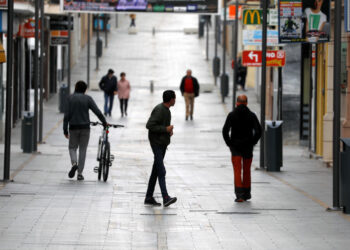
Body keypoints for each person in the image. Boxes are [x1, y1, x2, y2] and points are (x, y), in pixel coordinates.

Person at [64, 81, 107, 181]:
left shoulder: (70, 98)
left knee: (72, 148)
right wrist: (104, 122)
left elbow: (66, 116)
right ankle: (79, 173)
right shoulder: (88, 98)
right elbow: (97, 112)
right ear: (85, 89)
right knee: (83, 150)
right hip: (85, 128)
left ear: (75, 87)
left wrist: (65, 130)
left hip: (73, 127)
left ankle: (74, 163)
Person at [222, 95, 262, 202]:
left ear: (237, 103)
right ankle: (247, 193)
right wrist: (253, 142)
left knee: (237, 170)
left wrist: (229, 143)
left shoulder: (232, 115)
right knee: (247, 170)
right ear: (247, 103)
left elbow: (225, 131)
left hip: (235, 147)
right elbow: (259, 131)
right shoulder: (251, 115)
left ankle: (239, 195)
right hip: (248, 147)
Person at [144, 90, 177, 207]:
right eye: (175, 98)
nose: (175, 100)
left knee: (156, 171)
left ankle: (148, 197)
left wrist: (168, 132)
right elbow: (149, 125)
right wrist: (165, 130)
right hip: (156, 143)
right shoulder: (159, 109)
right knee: (161, 170)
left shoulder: (167, 110)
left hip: (162, 143)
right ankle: (166, 197)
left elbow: (163, 126)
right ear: (171, 99)